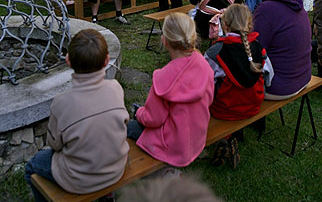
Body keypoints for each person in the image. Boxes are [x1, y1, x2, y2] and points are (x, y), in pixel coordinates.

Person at [25, 29, 129, 202]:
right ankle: (107, 197)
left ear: (68, 61)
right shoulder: (116, 87)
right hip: (116, 169)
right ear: (106, 61)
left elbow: (55, 144)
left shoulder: (61, 103)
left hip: (78, 179)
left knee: (32, 166)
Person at [127, 12, 214, 167]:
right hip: (197, 136)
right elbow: (210, 99)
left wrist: (139, 113)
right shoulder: (204, 65)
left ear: (164, 41)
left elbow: (153, 119)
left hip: (173, 145)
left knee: (131, 127)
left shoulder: (163, 79)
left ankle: (166, 172)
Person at [204, 4, 273, 167]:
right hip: (253, 106)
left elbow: (203, 85)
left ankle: (224, 139)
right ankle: (231, 137)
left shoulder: (216, 52)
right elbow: (269, 76)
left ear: (225, 25)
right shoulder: (258, 48)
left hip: (224, 110)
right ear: (249, 24)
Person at [253, 0, 311, 99]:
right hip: (303, 76)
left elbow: (253, 47)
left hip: (280, 85)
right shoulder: (296, 1)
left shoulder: (267, 9)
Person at [118, 174, 223, 202]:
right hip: (197, 144)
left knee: (132, 129)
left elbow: (153, 121)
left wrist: (141, 118)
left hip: (172, 148)